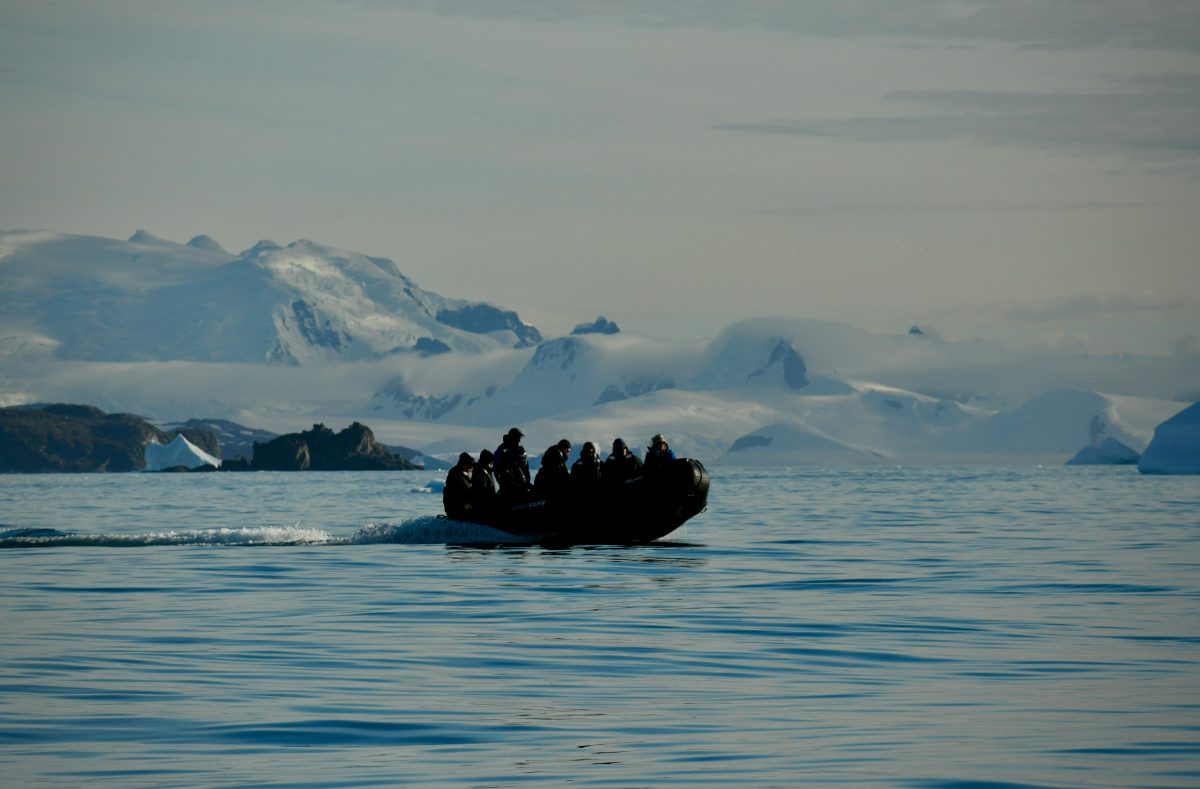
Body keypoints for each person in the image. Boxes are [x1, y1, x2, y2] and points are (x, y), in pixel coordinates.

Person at [443, 452, 474, 520]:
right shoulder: (457, 474)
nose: (470, 468)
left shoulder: (460, 472)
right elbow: (457, 495)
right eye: (469, 465)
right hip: (456, 509)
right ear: (464, 464)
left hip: (456, 507)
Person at [471, 449, 498, 517]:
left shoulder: (485, 472)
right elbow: (481, 493)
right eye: (491, 463)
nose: (493, 465)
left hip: (486, 505)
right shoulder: (480, 473)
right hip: (484, 507)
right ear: (487, 462)